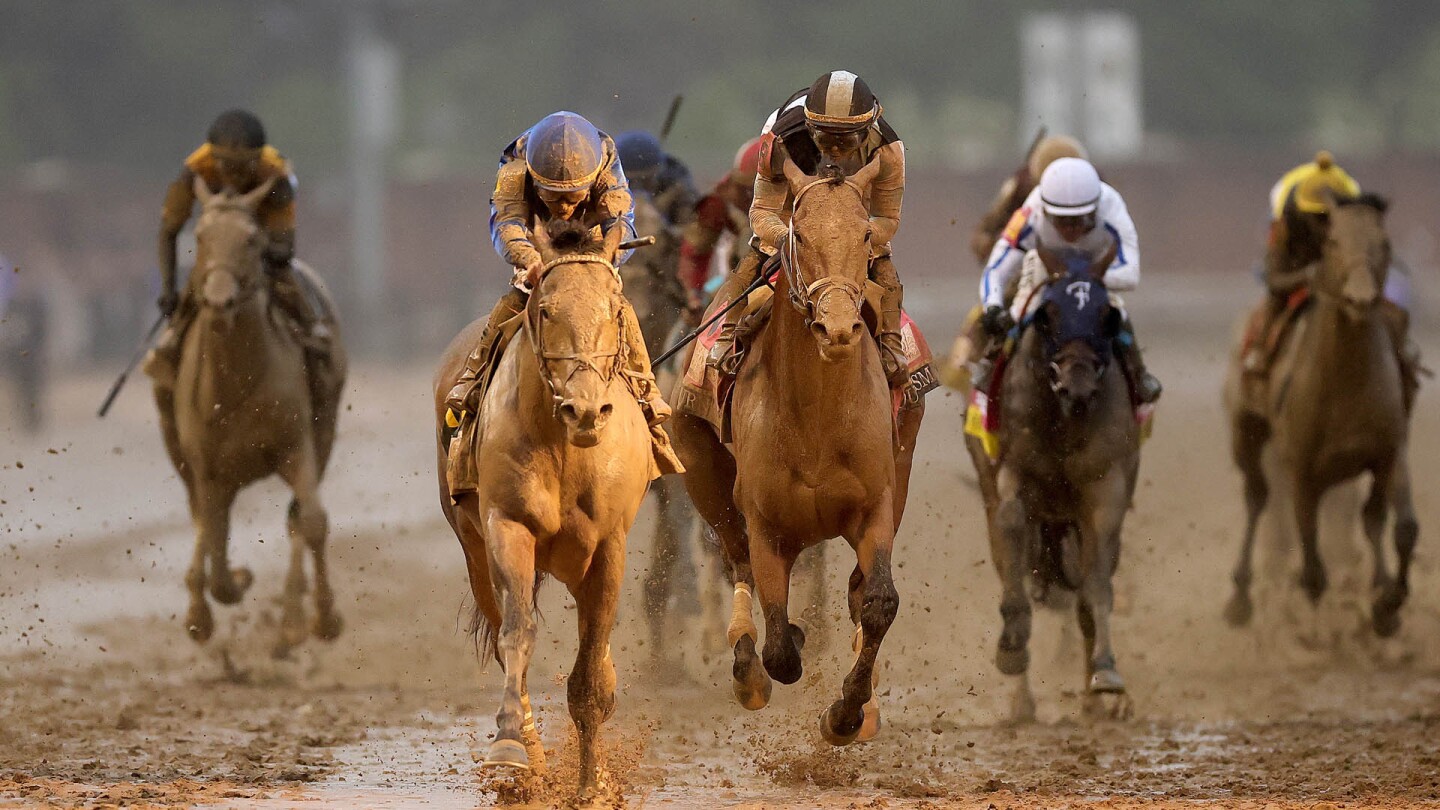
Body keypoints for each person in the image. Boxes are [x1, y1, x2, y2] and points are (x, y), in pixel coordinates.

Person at [443, 111, 681, 473]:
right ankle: (472, 383)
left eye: (574, 196)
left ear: (593, 180)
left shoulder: (605, 157)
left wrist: (605, 257)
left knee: (614, 305)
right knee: (514, 302)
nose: (566, 206)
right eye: (553, 197)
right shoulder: (515, 164)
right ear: (535, 183)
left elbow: (621, 221)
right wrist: (529, 259)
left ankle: (646, 393)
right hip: (539, 249)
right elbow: (506, 222)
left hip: (593, 247)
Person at [707, 70, 909, 387]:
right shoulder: (779, 141)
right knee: (750, 263)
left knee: (887, 276)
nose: (835, 150)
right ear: (810, 127)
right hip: (793, 209)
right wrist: (791, 238)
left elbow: (887, 219)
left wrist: (853, 236)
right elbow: (762, 212)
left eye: (847, 140)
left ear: (867, 130)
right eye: (826, 140)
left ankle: (894, 346)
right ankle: (727, 336)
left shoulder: (887, 151)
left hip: (854, 216)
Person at [146, 109, 326, 386]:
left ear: (259, 159)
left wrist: (251, 246)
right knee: (202, 281)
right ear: (212, 157)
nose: (235, 177)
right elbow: (168, 232)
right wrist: (169, 291)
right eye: (227, 167)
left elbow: (284, 249)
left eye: (244, 168)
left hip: (259, 239)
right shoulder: (192, 171)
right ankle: (173, 344)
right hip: (217, 243)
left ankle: (311, 329)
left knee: (285, 279)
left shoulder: (277, 174)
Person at [977, 156, 1162, 403]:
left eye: (1079, 221)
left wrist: (1082, 278)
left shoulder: (1113, 207)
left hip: (1096, 268)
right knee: (1022, 310)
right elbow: (996, 268)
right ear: (1045, 212)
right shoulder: (1030, 213)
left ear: (1096, 210)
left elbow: (1130, 274)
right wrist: (993, 307)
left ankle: (1138, 372)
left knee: (1115, 311)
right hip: (1047, 264)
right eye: (1060, 221)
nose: (1070, 230)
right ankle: (994, 365)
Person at [1245, 151, 1419, 405]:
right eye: (1318, 217)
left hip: (1341, 282)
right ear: (1302, 212)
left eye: (1329, 218)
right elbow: (1274, 280)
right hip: (1299, 277)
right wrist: (1307, 276)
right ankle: (1260, 357)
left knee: (1392, 314)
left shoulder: (1353, 221)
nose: (1324, 224)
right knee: (1273, 307)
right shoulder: (1283, 227)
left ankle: (1402, 362)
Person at [970, 134, 1087, 266]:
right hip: (1032, 258)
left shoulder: (1095, 187)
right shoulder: (1020, 188)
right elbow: (989, 227)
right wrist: (990, 245)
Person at [677, 136, 762, 318]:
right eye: (753, 189)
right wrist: (695, 297)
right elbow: (694, 254)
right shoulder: (718, 202)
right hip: (729, 281)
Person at [614, 130, 700, 230]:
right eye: (630, 182)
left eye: (645, 181)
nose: (638, 188)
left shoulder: (675, 186)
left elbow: (692, 229)